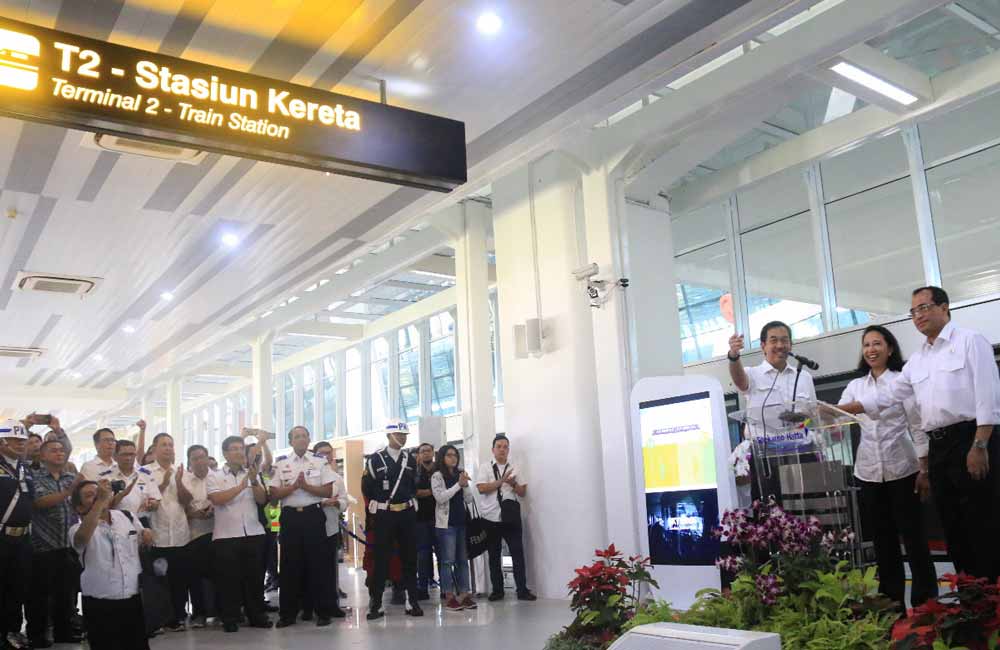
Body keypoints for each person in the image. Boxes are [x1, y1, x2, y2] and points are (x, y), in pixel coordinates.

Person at [840, 287, 1000, 581]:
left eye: (924, 308)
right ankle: (969, 596)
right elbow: (886, 397)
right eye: (913, 311)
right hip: (939, 447)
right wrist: (836, 410)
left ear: (944, 307)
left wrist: (980, 444)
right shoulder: (918, 360)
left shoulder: (970, 341)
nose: (918, 316)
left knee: (981, 521)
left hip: (969, 439)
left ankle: (991, 598)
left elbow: (988, 397)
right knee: (953, 525)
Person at [838, 325, 938, 610]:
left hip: (903, 469)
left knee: (914, 539)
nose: (871, 350)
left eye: (877, 344)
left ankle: (926, 604)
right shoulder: (855, 386)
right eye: (866, 345)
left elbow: (917, 426)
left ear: (890, 348)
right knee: (883, 542)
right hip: (868, 472)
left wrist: (924, 469)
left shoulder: (901, 381)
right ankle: (891, 604)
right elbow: (836, 415)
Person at [728, 321, 817, 502]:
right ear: (763, 346)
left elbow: (813, 413)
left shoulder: (804, 376)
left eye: (784, 340)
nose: (780, 345)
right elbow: (739, 381)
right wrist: (734, 356)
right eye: (774, 340)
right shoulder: (753, 374)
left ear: (790, 345)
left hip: (801, 452)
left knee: (808, 506)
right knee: (770, 511)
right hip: (765, 456)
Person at [70, 480, 153, 650]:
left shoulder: (126, 516)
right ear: (79, 507)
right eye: (89, 495)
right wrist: (100, 501)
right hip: (100, 602)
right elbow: (81, 540)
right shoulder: (77, 529)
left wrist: (148, 534)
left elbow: (142, 538)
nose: (97, 496)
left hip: (133, 597)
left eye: (98, 492)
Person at [268, 426, 335, 628]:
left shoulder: (319, 461)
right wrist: (294, 487)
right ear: (290, 441)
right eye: (297, 436)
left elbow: (327, 491)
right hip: (290, 518)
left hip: (313, 516)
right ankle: (287, 614)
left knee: (318, 565)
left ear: (309, 439)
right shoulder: (281, 464)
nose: (301, 439)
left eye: (305, 436)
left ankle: (323, 612)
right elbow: (273, 495)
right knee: (289, 566)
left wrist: (306, 487)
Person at [206, 436, 273, 633]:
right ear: (225, 453)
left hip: (253, 532)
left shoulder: (253, 473)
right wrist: (240, 487)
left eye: (241, 448)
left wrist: (253, 481)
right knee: (228, 580)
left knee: (254, 578)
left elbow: (261, 500)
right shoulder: (214, 476)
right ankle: (230, 617)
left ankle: (256, 615)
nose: (238, 452)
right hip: (226, 535)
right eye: (234, 448)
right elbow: (217, 499)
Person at [362, 421, 423, 620]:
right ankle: (376, 603)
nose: (402, 438)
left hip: (406, 513)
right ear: (389, 436)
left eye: (405, 434)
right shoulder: (375, 459)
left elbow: (413, 485)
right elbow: (367, 487)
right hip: (385, 514)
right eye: (399, 434)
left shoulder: (410, 459)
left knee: (409, 558)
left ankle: (412, 601)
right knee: (381, 559)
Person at [27, 440, 83, 648]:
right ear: (43, 456)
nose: (59, 453)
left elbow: (80, 505)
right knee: (39, 595)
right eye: (53, 450)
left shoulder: (70, 478)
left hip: (67, 544)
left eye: (61, 450)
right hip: (43, 545)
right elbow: (40, 502)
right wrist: (69, 492)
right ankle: (37, 635)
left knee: (65, 593)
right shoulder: (35, 477)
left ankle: (64, 632)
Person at [144, 433, 194, 631]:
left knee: (179, 579)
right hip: (158, 535)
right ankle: (160, 619)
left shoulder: (181, 472)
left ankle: (178, 617)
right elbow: (146, 502)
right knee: (158, 581)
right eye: (163, 445)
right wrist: (164, 483)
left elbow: (186, 501)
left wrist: (178, 481)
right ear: (154, 448)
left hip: (180, 535)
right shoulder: (145, 472)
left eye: (170, 445)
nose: (168, 448)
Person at [476, 434, 536, 601]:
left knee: (517, 553)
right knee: (494, 555)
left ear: (508, 450)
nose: (502, 450)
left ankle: (522, 590)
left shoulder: (515, 468)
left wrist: (513, 484)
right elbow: (481, 488)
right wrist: (501, 481)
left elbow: (522, 492)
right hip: (490, 517)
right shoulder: (485, 467)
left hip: (511, 517)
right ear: (493, 449)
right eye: (499, 446)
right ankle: (497, 590)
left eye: (505, 447)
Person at [0, 420, 34, 650]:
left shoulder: (24, 467)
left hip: (22, 538)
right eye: (15, 440)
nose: (20, 444)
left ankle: (12, 632)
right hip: (1, 536)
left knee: (18, 586)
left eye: (22, 440)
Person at [431, 445, 476, 612]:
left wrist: (465, 485)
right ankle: (449, 596)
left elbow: (469, 499)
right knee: (447, 561)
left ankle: (464, 594)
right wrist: (458, 484)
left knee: (463, 560)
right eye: (449, 455)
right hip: (446, 525)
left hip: (461, 522)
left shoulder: (460, 473)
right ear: (442, 457)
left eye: (455, 455)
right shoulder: (437, 476)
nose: (453, 458)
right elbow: (440, 498)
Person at [310, 441, 348, 617]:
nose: (326, 456)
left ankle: (332, 604)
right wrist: (321, 502)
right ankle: (309, 606)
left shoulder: (336, 478)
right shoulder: (309, 475)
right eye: (322, 453)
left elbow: (344, 500)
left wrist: (337, 502)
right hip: (310, 527)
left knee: (330, 569)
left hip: (330, 527)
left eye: (329, 453)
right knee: (311, 568)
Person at [181, 445, 215, 628]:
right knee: (196, 577)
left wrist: (213, 508)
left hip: (217, 532)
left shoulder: (217, 477)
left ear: (208, 458)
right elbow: (178, 506)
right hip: (194, 534)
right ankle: (199, 613)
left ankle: (218, 612)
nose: (199, 461)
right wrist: (193, 513)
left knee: (218, 574)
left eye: (202, 457)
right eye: (195, 458)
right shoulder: (185, 480)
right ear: (190, 461)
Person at [111, 439, 161, 522]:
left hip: (141, 522)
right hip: (115, 522)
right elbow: (104, 506)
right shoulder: (107, 476)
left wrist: (152, 504)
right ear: (115, 456)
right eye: (124, 454)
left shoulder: (145, 474)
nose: (128, 458)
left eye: (132, 454)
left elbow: (156, 501)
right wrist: (122, 495)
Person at [413, 442, 436, 600]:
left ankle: (446, 589)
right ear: (419, 455)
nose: (426, 453)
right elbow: (413, 492)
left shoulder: (440, 470)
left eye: (428, 450)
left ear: (433, 453)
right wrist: (433, 491)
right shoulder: (414, 472)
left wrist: (425, 492)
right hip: (420, 519)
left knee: (442, 554)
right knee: (422, 554)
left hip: (439, 518)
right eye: (423, 451)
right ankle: (422, 588)